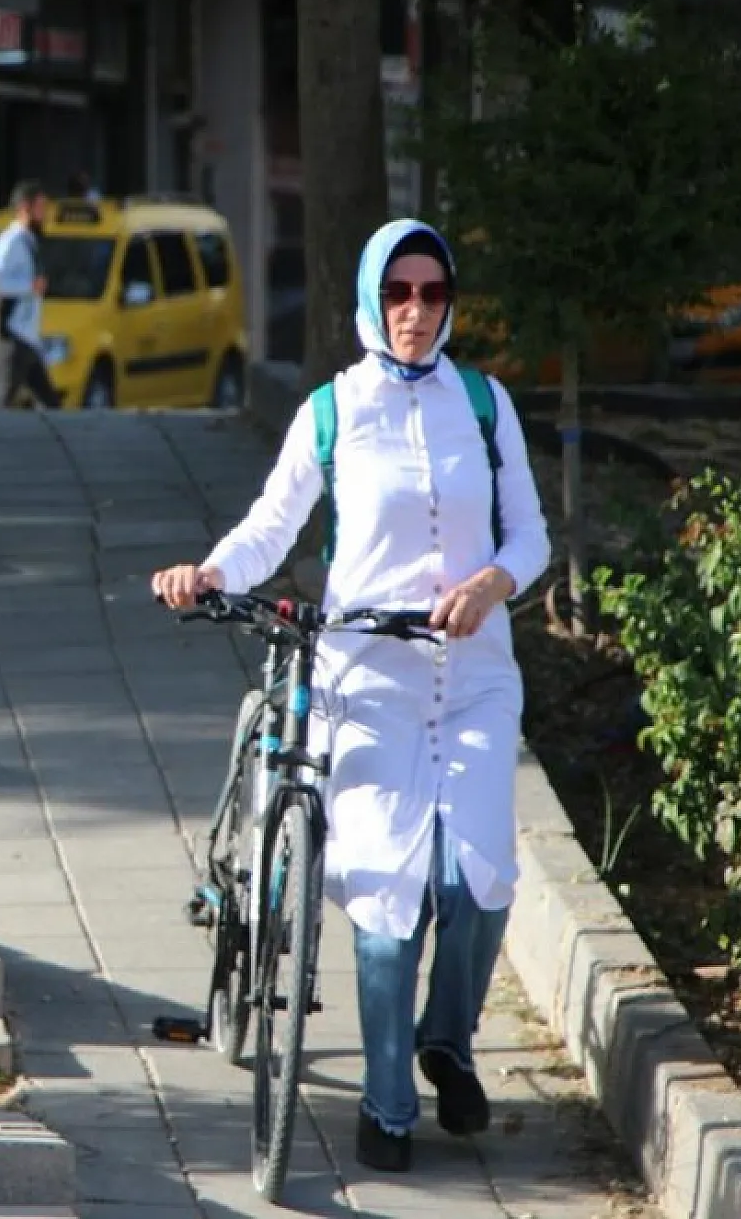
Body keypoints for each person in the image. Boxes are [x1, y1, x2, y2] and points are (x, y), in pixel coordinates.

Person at [152, 218, 550, 1173]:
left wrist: (492, 585)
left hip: (477, 673)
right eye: (399, 292)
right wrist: (207, 572)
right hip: (366, 677)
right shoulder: (332, 410)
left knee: (478, 874)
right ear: (371, 299)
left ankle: (445, 1041)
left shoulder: (487, 405)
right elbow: (270, 524)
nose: (416, 310)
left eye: (434, 293)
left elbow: (529, 537)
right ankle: (386, 1105)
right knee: (387, 899)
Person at [0, 180, 64, 409]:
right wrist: (29, 286)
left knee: (50, 402)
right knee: (3, 400)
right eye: (40, 208)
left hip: (28, 337)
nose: (44, 215)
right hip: (15, 336)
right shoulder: (11, 242)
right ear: (24, 208)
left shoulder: (28, 241)